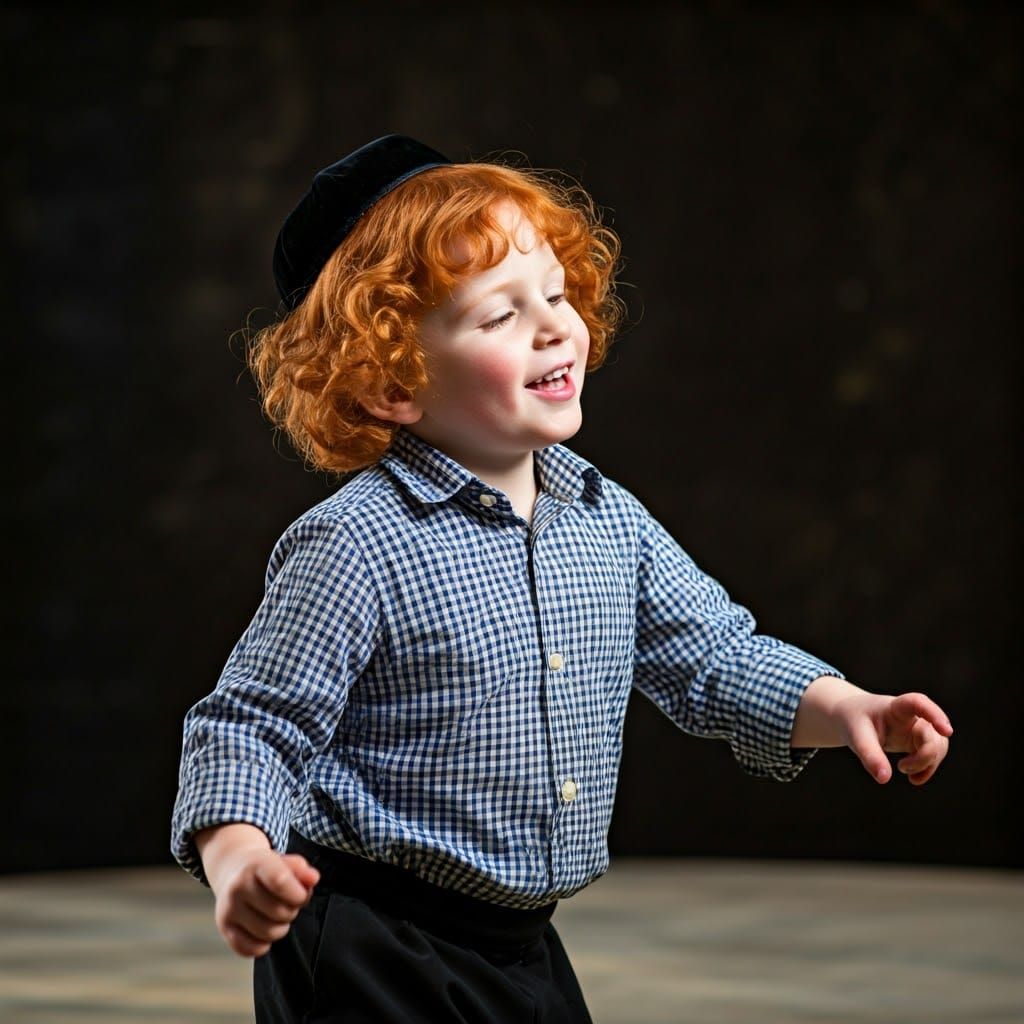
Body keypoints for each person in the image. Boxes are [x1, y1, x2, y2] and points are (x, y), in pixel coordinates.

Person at [170, 134, 952, 1023]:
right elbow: (254, 727)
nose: (554, 326)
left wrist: (845, 705)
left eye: (553, 292)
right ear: (392, 381)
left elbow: (713, 657)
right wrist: (240, 859)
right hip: (370, 938)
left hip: (520, 939)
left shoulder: (604, 517)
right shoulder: (356, 544)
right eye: (498, 316)